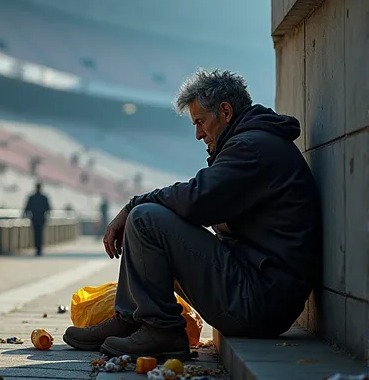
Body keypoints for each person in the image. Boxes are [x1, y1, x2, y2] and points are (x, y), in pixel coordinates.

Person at [64, 69, 321, 360]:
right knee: (153, 219)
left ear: (225, 111)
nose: (198, 134)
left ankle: (162, 331)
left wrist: (133, 203)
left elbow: (197, 200)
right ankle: (131, 320)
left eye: (200, 122)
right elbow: (197, 200)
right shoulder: (253, 143)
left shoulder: (252, 147)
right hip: (259, 290)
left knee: (146, 218)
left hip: (258, 301)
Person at [24, 183, 51, 256]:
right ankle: (39, 249)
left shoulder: (32, 197)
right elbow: (48, 209)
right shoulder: (44, 197)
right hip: (41, 218)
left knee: (36, 234)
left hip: (34, 218)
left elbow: (27, 208)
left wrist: (26, 215)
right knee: (40, 234)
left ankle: (37, 249)